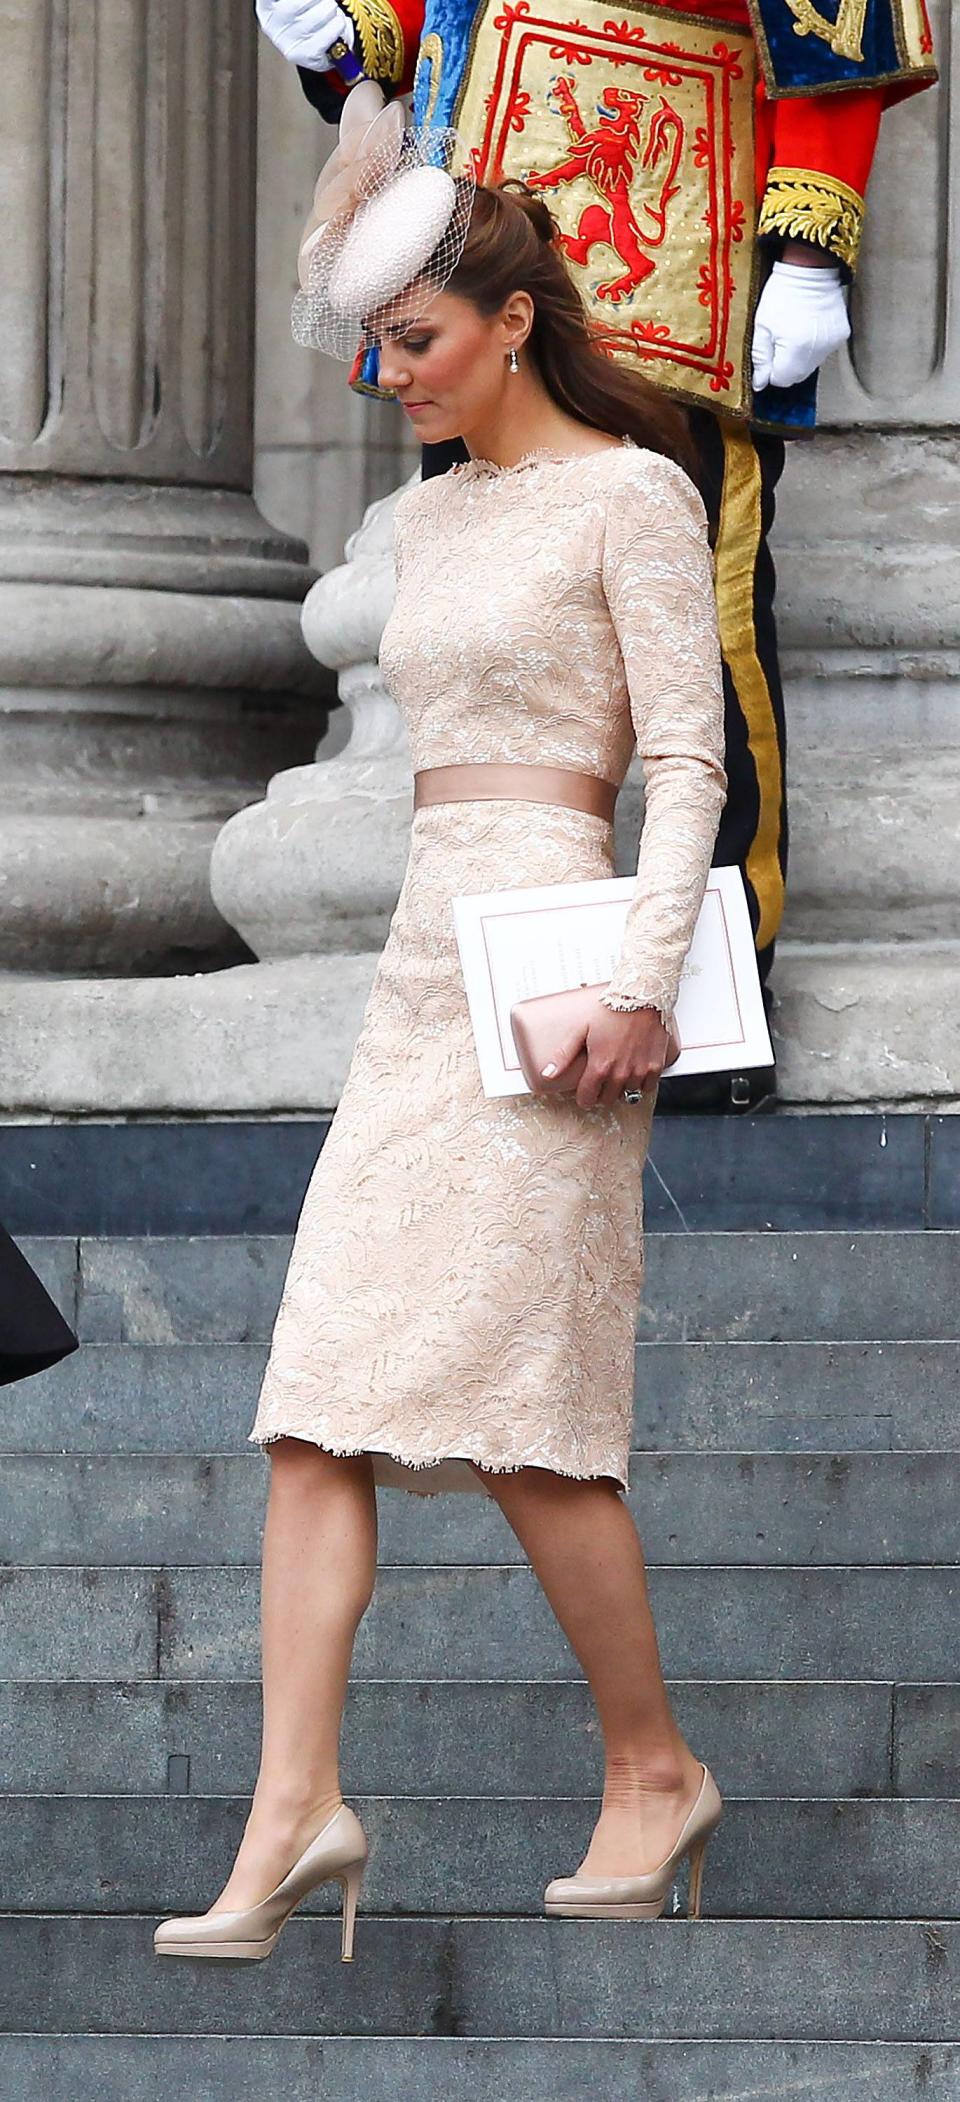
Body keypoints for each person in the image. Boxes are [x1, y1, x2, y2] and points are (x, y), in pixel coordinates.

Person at [154, 137, 727, 1965]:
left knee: (526, 1418)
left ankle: (652, 1768)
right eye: (372, 344)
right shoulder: (429, 515)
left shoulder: (632, 495)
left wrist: (640, 979)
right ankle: (294, 1806)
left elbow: (690, 767)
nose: (379, 375)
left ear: (511, 322)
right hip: (421, 960)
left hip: (564, 957)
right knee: (313, 1397)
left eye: (409, 339)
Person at [257, 0, 937, 1109]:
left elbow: (832, 17)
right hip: (469, 218)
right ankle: (483, 974)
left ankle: (713, 988)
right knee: (485, 623)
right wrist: (348, 35)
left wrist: (814, 237)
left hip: (674, 206)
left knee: (705, 646)